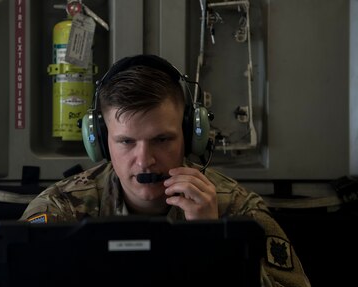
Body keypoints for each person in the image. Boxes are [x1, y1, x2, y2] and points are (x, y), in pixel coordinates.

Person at [20, 54, 311, 286]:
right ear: (100, 142)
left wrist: (215, 243)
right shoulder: (61, 209)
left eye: (162, 139)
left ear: (189, 136)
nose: (144, 160)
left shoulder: (236, 209)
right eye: (126, 142)